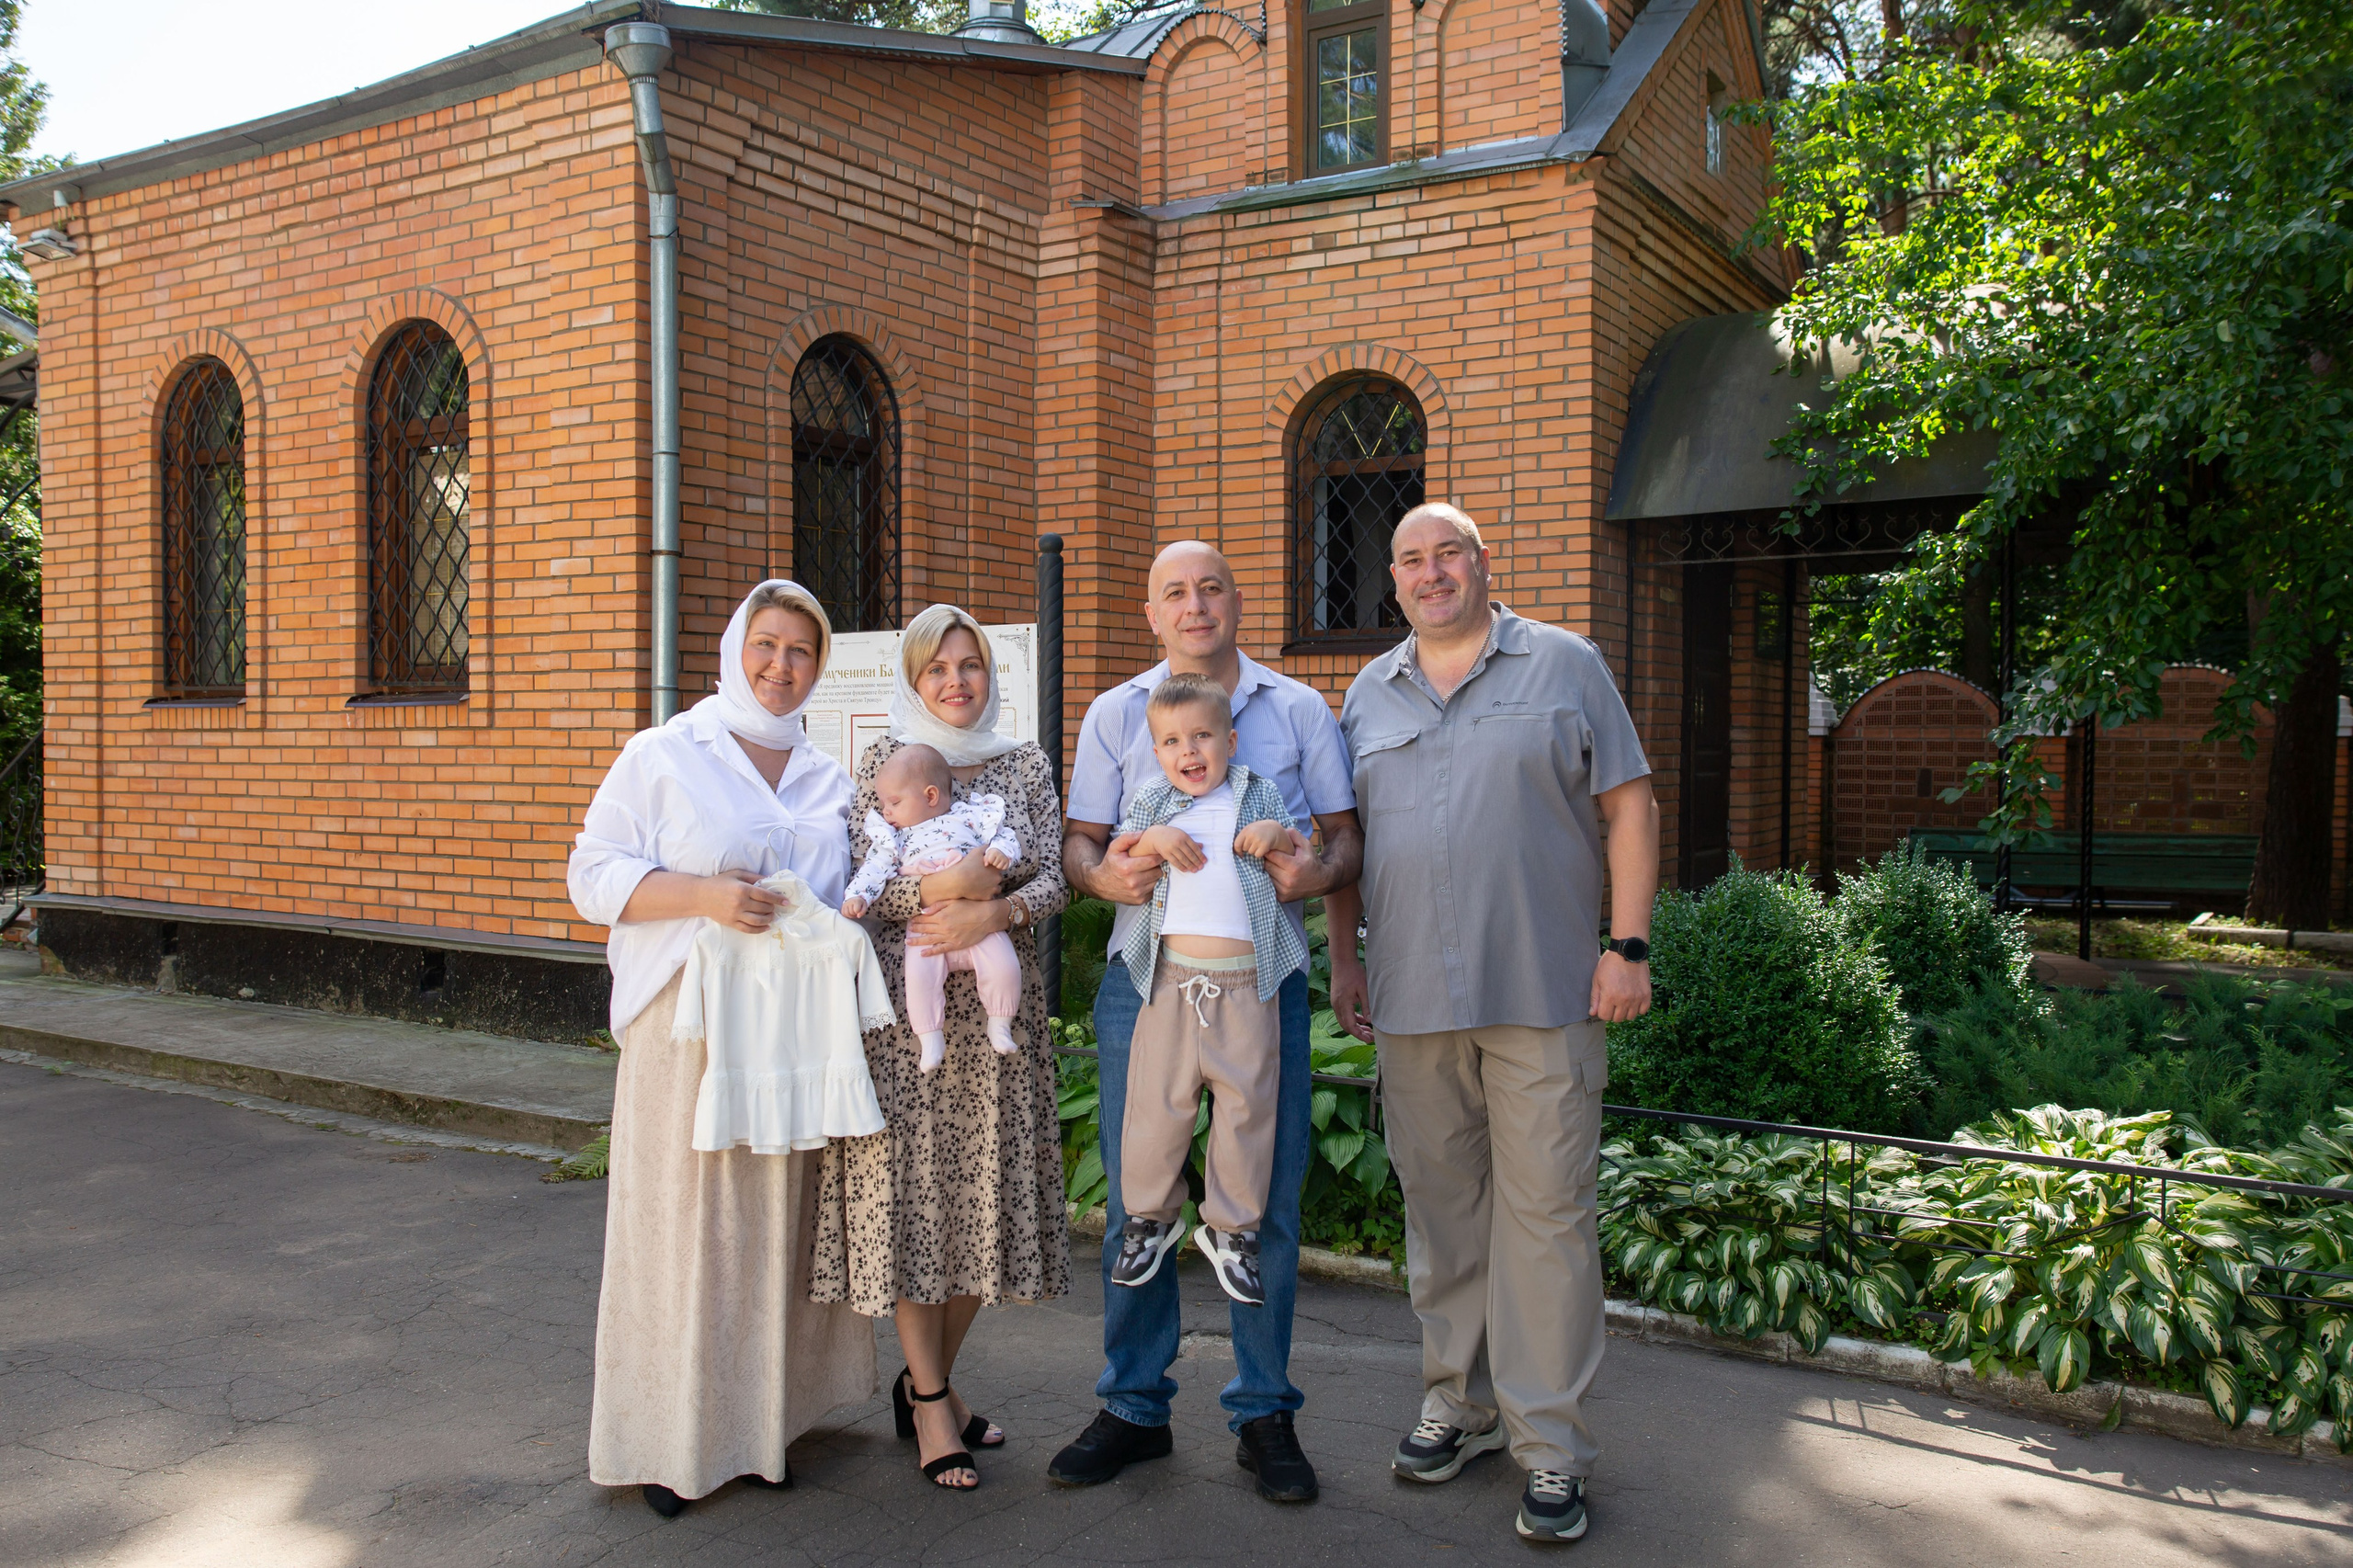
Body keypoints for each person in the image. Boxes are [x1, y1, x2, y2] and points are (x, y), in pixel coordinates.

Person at [1327, 504, 1660, 1546]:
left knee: (1547, 1216)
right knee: (1442, 1210)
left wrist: (1629, 944)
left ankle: (1549, 1446)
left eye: (1448, 554)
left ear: (1481, 564)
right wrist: (1346, 956)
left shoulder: (1565, 664)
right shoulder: (1366, 693)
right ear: (1393, 580)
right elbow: (1347, 838)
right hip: (1414, 1000)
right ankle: (1457, 1403)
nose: (1432, 573)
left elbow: (1631, 804)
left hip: (1546, 989)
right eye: (1412, 559)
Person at [1055, 540, 1361, 1505]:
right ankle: (1133, 1407)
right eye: (1174, 592)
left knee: (1263, 1189)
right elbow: (1080, 843)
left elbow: (1346, 835)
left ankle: (1263, 1410)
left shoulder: (1300, 709)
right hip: (1143, 982)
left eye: (1212, 587)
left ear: (1237, 599)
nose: (1195, 605)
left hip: (1262, 983)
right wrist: (1099, 873)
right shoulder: (1116, 713)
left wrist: (1317, 874)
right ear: (1151, 612)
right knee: (1139, 1184)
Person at [567, 579, 875, 1520]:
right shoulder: (665, 753)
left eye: (802, 653)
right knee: (691, 1230)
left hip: (789, 1029)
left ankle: (768, 1419)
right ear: (738, 645)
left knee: (778, 1228)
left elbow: (853, 889)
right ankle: (673, 1434)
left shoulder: (828, 774)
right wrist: (703, 894)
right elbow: (592, 873)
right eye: (768, 645)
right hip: (690, 1025)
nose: (782, 667)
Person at [811, 602, 1071, 1493]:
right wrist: (943, 885)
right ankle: (929, 1400)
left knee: (981, 1203)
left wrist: (992, 904)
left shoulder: (1024, 761)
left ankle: (929, 1381)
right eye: (939, 668)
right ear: (913, 678)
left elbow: (1055, 877)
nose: (958, 681)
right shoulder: (884, 764)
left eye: (971, 665)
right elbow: (863, 879)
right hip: (910, 1017)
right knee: (917, 1198)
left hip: (997, 1022)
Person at [1105, 672, 1308, 1308]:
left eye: (1201, 737)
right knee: (1156, 1104)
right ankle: (1150, 1218)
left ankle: (1232, 1229)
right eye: (1171, 742)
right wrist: (1151, 840)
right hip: (1170, 979)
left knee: (1247, 1107)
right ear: (1157, 751)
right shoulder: (1153, 802)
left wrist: (1277, 836)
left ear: (1231, 739)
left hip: (1248, 984)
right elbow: (1118, 851)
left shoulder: (1258, 794)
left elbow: (1305, 845)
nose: (1188, 753)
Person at [840, 742, 1025, 1071]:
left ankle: (1000, 1022)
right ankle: (930, 1037)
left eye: (894, 803)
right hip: (925, 927)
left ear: (930, 796)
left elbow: (1004, 835)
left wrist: (1002, 852)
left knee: (1004, 967)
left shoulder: (970, 816)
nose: (887, 812)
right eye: (884, 804)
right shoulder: (894, 838)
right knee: (919, 979)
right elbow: (873, 869)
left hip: (981, 918)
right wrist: (859, 896)